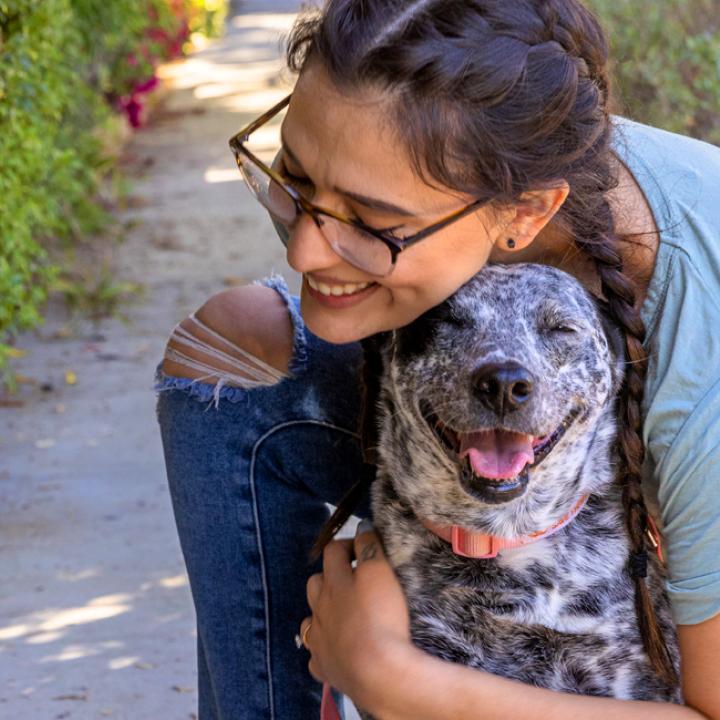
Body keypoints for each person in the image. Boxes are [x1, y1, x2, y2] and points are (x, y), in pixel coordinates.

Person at [154, 1, 720, 718]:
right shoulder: (498, 149)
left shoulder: (701, 365)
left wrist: (394, 680)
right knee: (235, 359)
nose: (303, 251)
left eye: (372, 223)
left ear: (524, 215)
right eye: (296, 180)